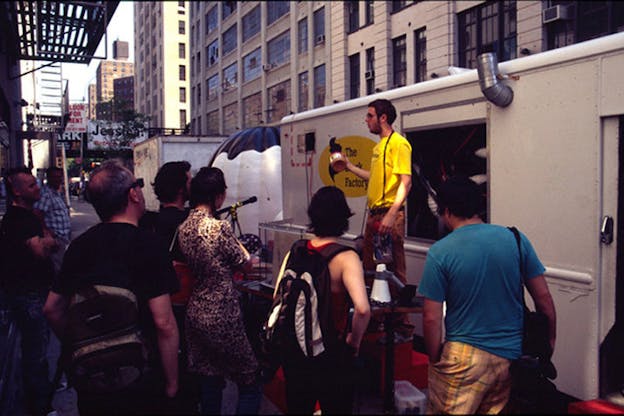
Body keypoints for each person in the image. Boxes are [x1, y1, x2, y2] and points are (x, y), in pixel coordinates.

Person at [43, 159, 180, 415]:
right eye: (137, 184)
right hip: (141, 376)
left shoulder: (79, 247)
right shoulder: (148, 245)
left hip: (93, 380)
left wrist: (85, 345)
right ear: (133, 195)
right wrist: (172, 383)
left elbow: (52, 309)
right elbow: (164, 323)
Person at [417, 175, 557, 414]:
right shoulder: (515, 239)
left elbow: (431, 317)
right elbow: (543, 298)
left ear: (447, 211)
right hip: (511, 357)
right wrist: (549, 341)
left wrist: (434, 357)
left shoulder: (440, 252)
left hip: (463, 356)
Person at [278, 186, 371, 414]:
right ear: (343, 218)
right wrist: (354, 343)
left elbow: (278, 297)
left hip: (295, 350)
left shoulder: (297, 250)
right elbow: (362, 309)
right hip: (331, 352)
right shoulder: (346, 257)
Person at [177, 166, 261, 415]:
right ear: (218, 195)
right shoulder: (219, 228)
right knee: (250, 379)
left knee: (210, 379)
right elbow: (244, 263)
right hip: (221, 312)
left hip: (196, 312)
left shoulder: (184, 228)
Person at [344, 98, 413, 336]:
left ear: (383, 118)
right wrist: (349, 167)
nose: (366, 120)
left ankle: (401, 327)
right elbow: (373, 177)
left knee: (394, 270)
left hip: (388, 214)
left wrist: (392, 215)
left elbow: (406, 181)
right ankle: (376, 322)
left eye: (370, 115)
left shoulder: (399, 144)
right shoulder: (378, 147)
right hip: (375, 215)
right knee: (371, 268)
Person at [139, 160, 198, 413]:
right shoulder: (190, 221)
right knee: (185, 368)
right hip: (184, 303)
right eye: (189, 179)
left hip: (152, 303)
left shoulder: (148, 222)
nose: (192, 183)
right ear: (181, 188)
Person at [0, 166, 56, 415]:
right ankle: (40, 406)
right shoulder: (21, 219)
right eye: (31, 185)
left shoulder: (25, 217)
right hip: (30, 295)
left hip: (25, 292)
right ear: (17, 191)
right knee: (36, 353)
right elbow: (41, 250)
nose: (37, 188)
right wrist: (49, 240)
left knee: (31, 350)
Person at [33, 166, 71, 276]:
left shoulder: (56, 192)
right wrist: (47, 232)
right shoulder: (46, 194)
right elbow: (37, 214)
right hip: (55, 239)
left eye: (60, 177)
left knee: (62, 266)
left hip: (63, 238)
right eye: (54, 177)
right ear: (48, 178)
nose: (58, 179)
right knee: (58, 269)